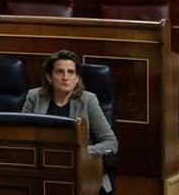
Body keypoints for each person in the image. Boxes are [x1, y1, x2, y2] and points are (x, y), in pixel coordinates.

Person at [22, 50, 118, 193]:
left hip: (80, 170)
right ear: (49, 77)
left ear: (77, 78)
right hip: (42, 167)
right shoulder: (34, 97)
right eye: (59, 72)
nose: (65, 77)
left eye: (71, 72)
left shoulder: (88, 100)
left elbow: (111, 143)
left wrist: (81, 153)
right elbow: (21, 135)